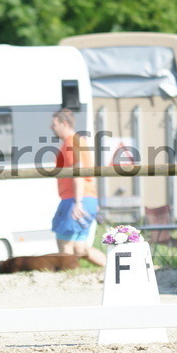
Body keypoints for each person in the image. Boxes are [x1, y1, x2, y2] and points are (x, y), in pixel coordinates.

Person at [50, 109, 105, 267]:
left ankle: (66, 280)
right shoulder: (79, 141)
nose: (51, 127)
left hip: (74, 199)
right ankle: (114, 270)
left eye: (54, 124)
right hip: (88, 197)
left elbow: (78, 171)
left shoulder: (71, 142)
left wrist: (78, 202)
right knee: (80, 248)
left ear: (64, 123)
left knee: (64, 245)